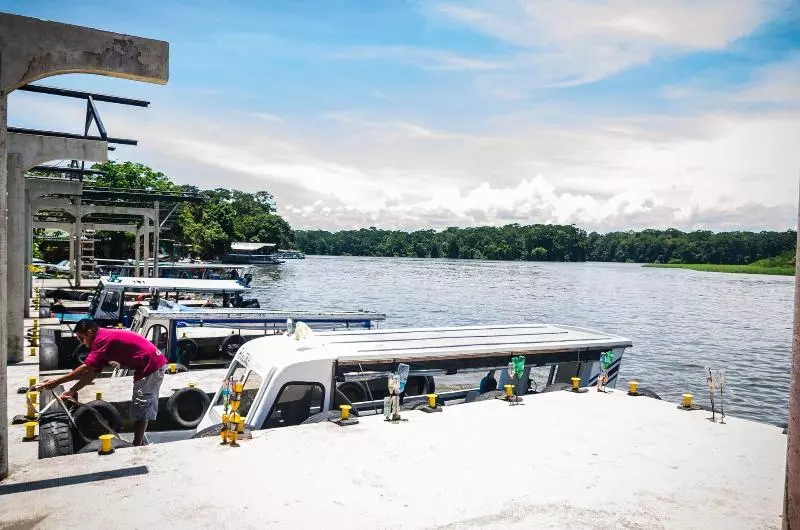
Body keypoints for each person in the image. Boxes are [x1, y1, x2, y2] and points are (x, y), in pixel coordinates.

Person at [34, 319, 167, 445]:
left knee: (141, 404)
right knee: (140, 404)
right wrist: (72, 391)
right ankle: (139, 441)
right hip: (147, 365)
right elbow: (91, 373)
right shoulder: (101, 339)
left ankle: (137, 444)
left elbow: (85, 368)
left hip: (151, 366)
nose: (82, 343)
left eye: (82, 338)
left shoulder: (101, 339)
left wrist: (56, 381)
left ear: (89, 333)